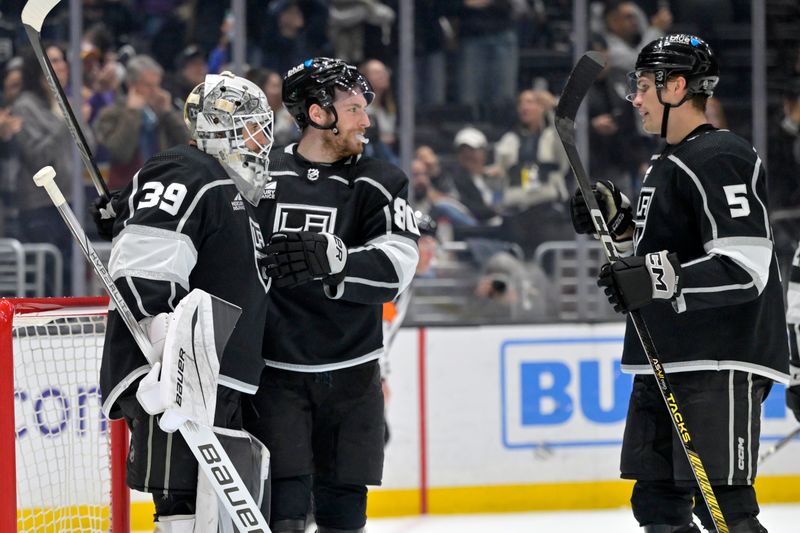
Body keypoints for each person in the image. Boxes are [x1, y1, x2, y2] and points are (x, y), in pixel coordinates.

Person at [570, 35, 788, 532]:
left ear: (678, 87)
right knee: (659, 505)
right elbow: (665, 252)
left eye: (644, 86)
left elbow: (745, 265)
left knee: (725, 511)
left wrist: (655, 277)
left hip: (715, 358)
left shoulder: (721, 154)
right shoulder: (666, 162)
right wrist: (618, 222)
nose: (636, 98)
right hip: (669, 354)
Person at [246, 57, 420, 533]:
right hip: (276, 375)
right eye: (354, 108)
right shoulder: (259, 178)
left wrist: (338, 258)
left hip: (352, 375)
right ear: (319, 114)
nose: (366, 120)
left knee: (343, 516)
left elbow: (400, 266)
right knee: (281, 512)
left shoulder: (380, 181)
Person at [95, 71, 274, 531]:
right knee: (184, 509)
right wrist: (166, 347)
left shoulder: (235, 189)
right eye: (252, 125)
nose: (262, 138)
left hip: (216, 377)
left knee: (218, 515)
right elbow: (143, 264)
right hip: (180, 374)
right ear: (219, 127)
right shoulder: (186, 168)